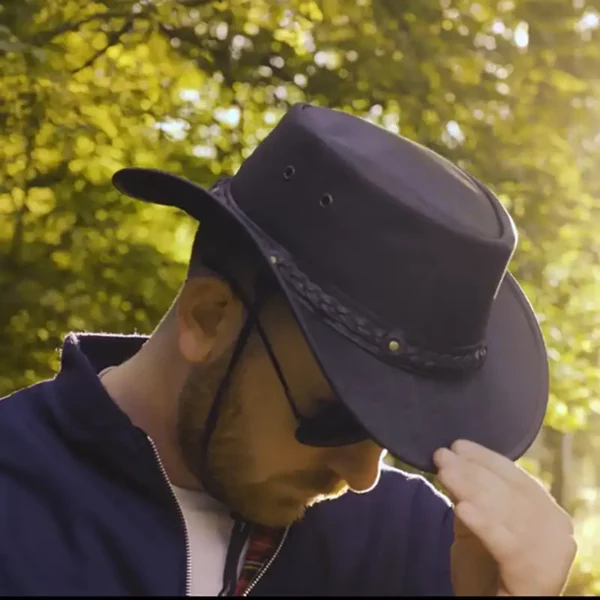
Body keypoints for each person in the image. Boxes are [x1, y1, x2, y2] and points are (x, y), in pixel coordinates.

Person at [0, 103, 575, 596]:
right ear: (208, 318)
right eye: (337, 414)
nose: (363, 475)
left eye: (397, 430)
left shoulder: (428, 548)